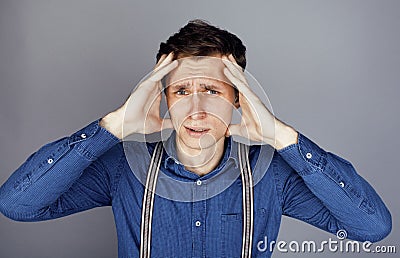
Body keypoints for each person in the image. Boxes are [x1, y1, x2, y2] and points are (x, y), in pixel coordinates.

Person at [0, 19, 392, 257]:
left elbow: (371, 228)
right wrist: (114, 126)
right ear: (164, 98)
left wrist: (284, 138)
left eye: (214, 91)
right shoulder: (122, 168)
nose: (197, 109)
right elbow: (19, 205)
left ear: (238, 99)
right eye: (182, 91)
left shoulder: (270, 175)